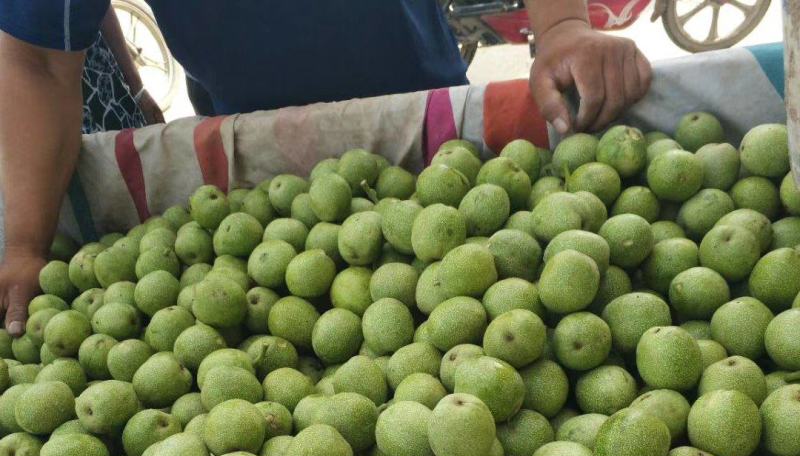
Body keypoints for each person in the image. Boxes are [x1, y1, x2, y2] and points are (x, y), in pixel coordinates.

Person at [0, 0, 650, 335]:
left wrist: (563, 26)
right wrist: (27, 242)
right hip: (248, 170)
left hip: (429, 127)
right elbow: (34, 60)